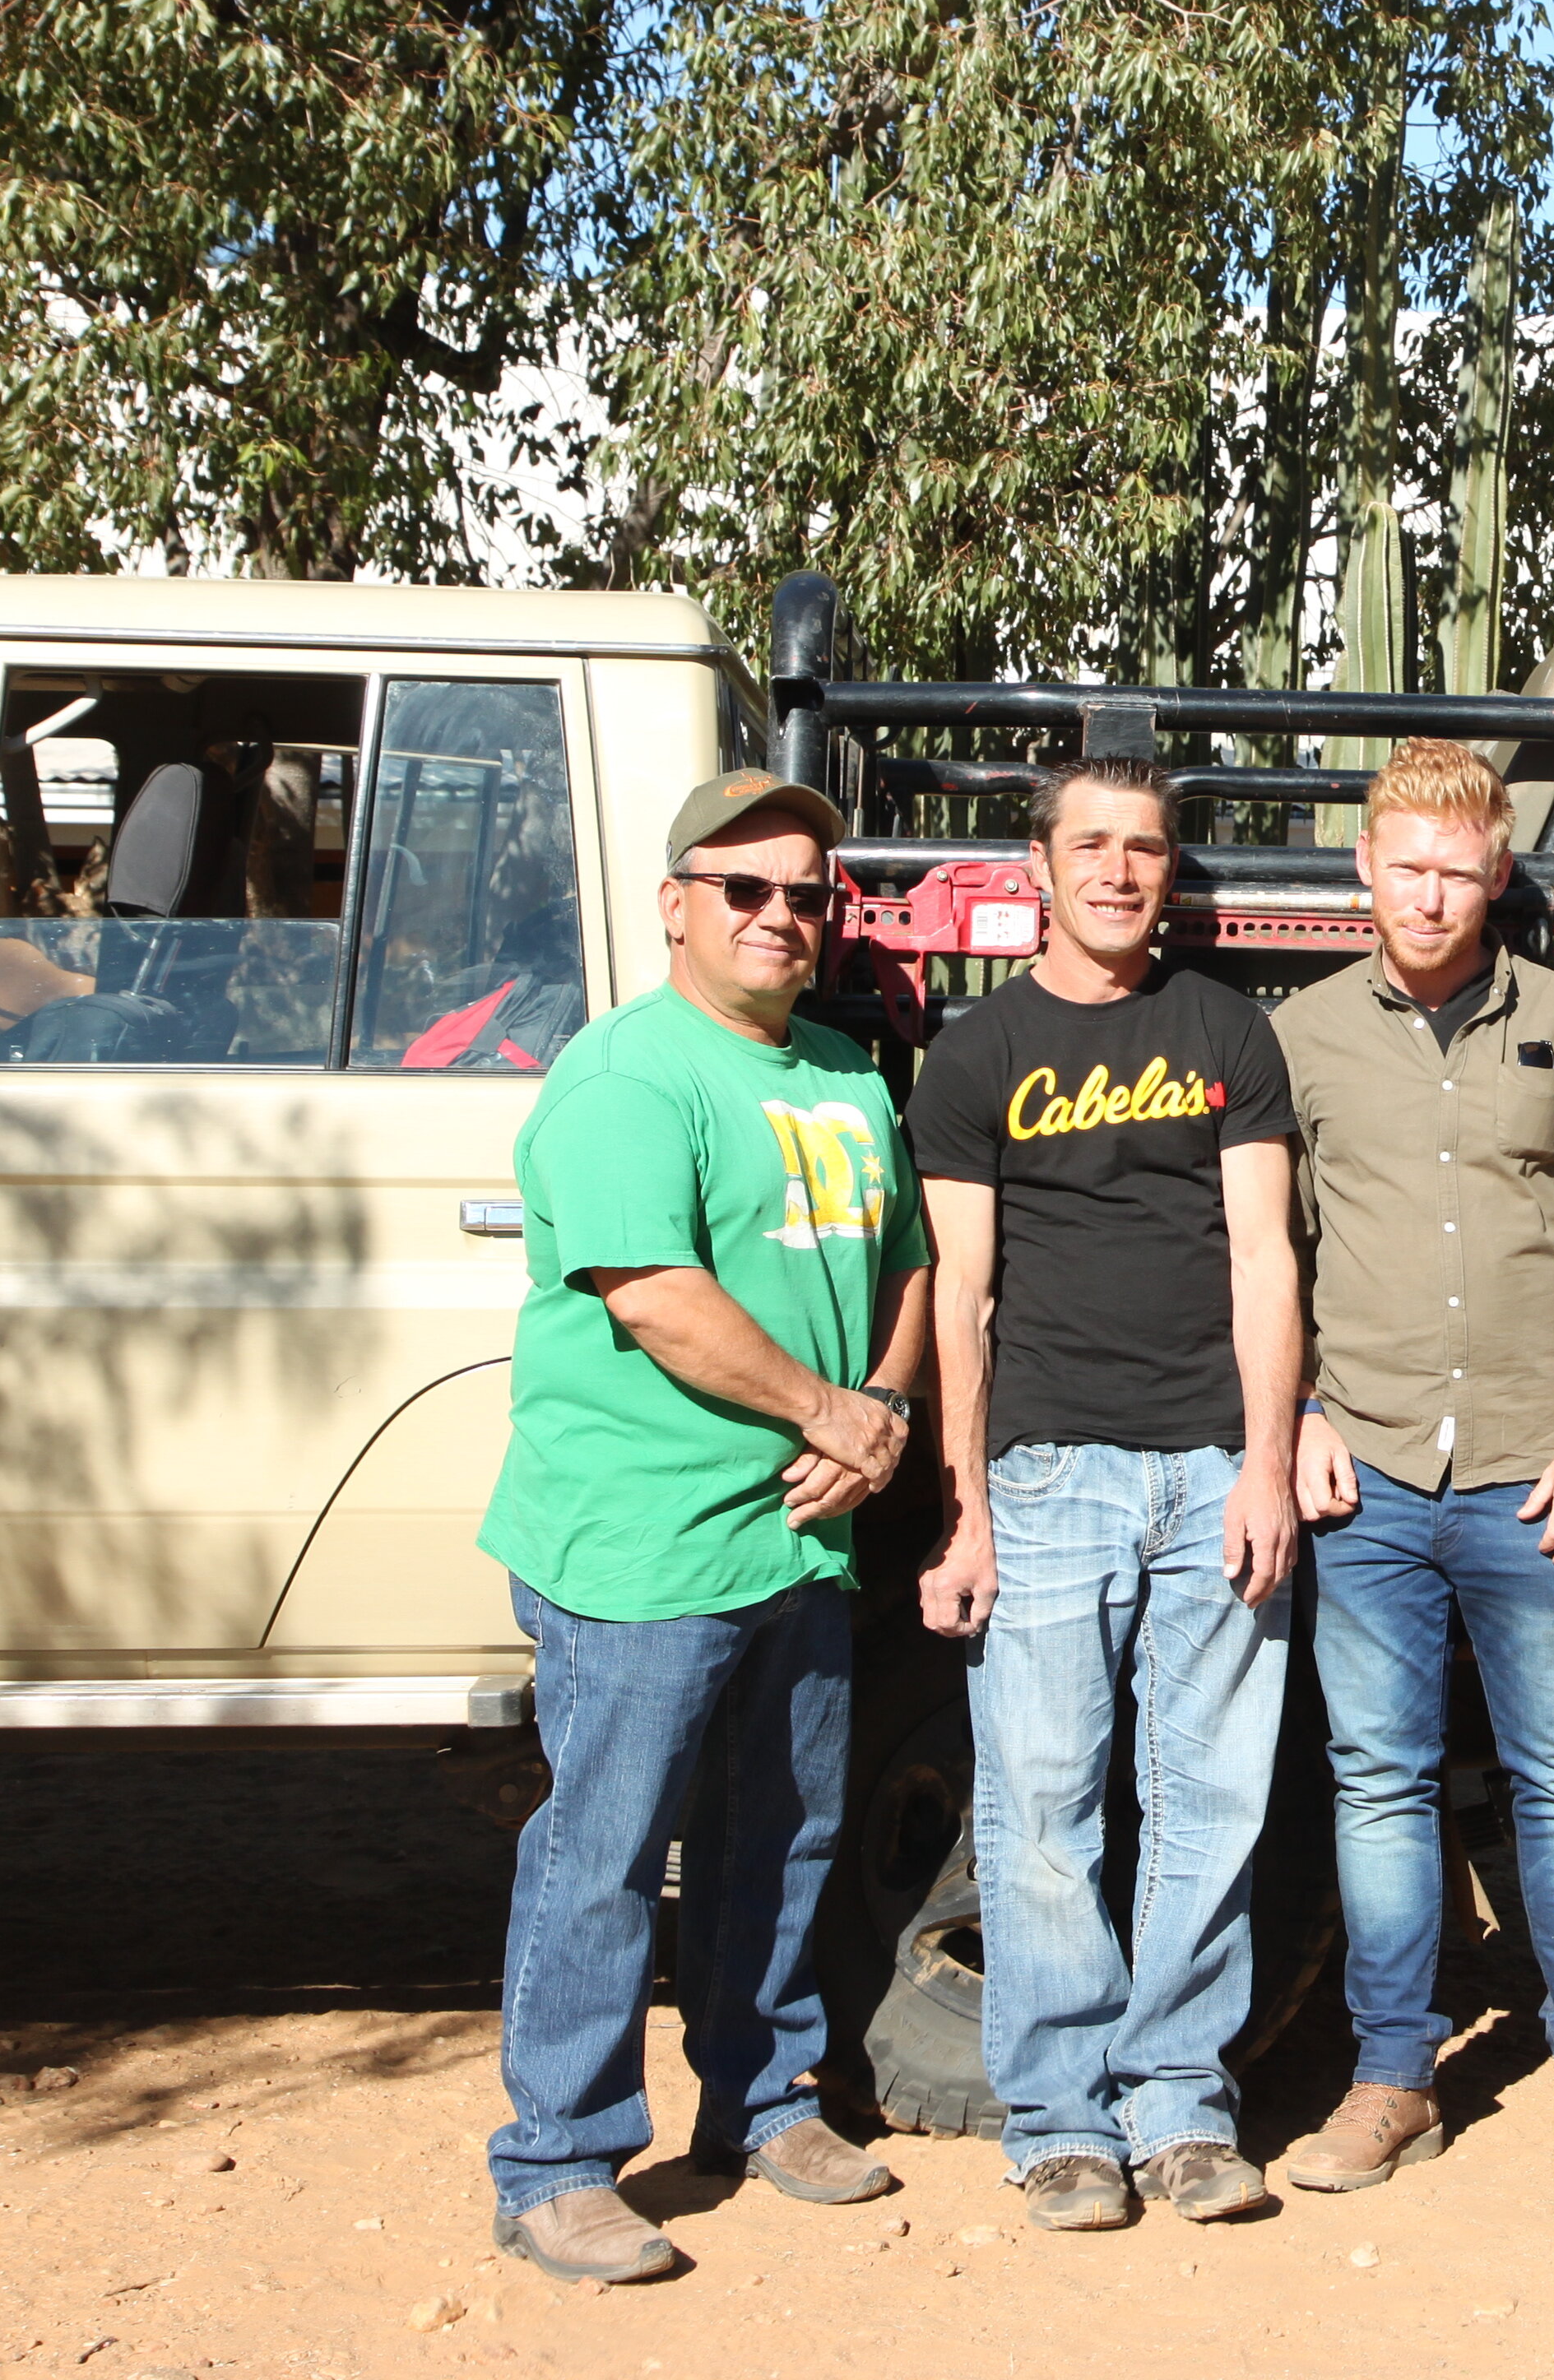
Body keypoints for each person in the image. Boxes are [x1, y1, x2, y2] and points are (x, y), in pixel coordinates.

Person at [478, 769, 930, 2284]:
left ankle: (763, 2096)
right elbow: (655, 1297)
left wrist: (877, 1410)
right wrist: (831, 1415)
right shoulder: (628, 1078)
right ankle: (557, 2161)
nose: (782, 914)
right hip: (642, 1544)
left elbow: (912, 1267)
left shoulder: (845, 1079)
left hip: (797, 1537)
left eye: (809, 892)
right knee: (605, 1852)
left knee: (782, 1837)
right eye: (746, 888)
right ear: (676, 905)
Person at [1269, 740, 1554, 2197]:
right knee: (1378, 1781)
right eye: (1408, 867)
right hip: (1366, 1469)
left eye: (1460, 870)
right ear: (1364, 873)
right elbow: (1270, 1256)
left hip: (1536, 1470)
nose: (1433, 895)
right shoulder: (1303, 1038)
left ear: (1496, 874)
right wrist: (1300, 1414)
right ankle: (1393, 2079)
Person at [905, 755, 1305, 2234]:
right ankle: (1062, 2122)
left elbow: (1266, 1259)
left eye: (1146, 848)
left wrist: (1266, 1461)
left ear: (1169, 872)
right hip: (1048, 1470)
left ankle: (1184, 2109)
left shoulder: (1224, 1033)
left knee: (1211, 1805)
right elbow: (962, 1298)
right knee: (1041, 1809)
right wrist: (968, 1509)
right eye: (1093, 845)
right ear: (1039, 865)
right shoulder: (977, 1052)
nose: (1122, 871)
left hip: (1211, 1469)